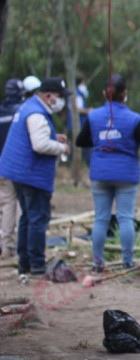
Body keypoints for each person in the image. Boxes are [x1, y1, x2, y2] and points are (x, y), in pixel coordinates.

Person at [76, 74, 140, 272]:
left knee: (100, 219)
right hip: (126, 175)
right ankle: (127, 260)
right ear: (125, 94)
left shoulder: (93, 116)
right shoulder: (134, 119)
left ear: (104, 93)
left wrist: (102, 138)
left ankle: (97, 262)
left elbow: (80, 141)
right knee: (125, 218)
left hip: (100, 173)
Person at [0, 77, 70, 276]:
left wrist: (52, 137)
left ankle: (25, 262)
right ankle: (37, 264)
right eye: (59, 97)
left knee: (27, 219)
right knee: (38, 219)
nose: (61, 101)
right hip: (31, 175)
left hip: (19, 173)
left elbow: (30, 135)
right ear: (48, 96)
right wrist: (61, 147)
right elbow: (39, 145)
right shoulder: (37, 113)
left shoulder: (28, 107)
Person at [0, 78, 23, 259]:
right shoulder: (21, 112)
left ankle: (6, 246)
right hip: (17, 164)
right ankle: (19, 247)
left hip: (1, 166)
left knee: (6, 204)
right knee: (20, 203)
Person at [75, 78, 91, 167]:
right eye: (83, 83)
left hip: (81, 123)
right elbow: (78, 109)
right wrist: (89, 111)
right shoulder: (77, 95)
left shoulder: (78, 94)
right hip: (79, 124)